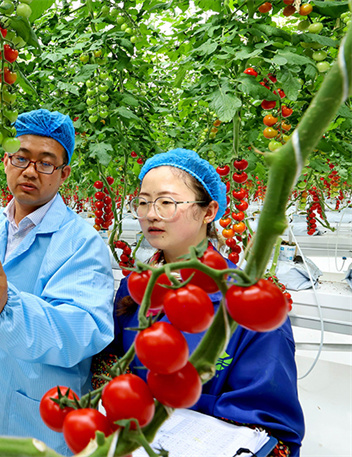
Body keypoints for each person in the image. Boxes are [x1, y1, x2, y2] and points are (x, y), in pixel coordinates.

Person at [100, 148, 305, 456]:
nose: (151, 214)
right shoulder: (134, 286)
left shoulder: (251, 306)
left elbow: (272, 431)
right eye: (143, 202)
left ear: (208, 211)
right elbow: (110, 361)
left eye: (166, 202)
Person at [0, 109, 115, 455]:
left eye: (46, 162)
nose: (30, 171)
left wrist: (6, 308)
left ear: (64, 173)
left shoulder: (82, 243)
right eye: (21, 157)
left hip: (37, 415)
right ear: (6, 161)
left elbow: (83, 329)